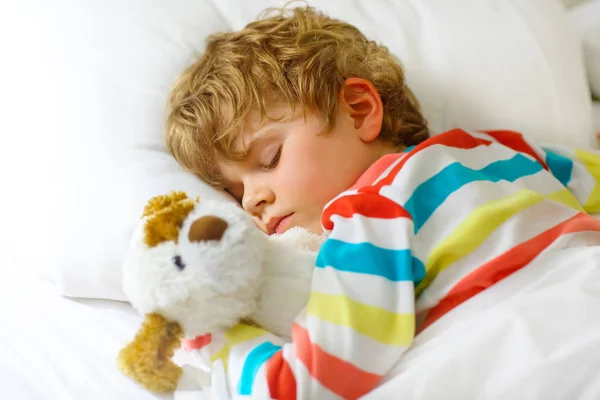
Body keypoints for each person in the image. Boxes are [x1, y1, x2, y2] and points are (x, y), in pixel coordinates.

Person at [165, 5, 600, 399]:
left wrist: (219, 341)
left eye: (269, 159)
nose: (253, 201)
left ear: (358, 110)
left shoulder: (369, 215)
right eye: (235, 193)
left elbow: (309, 382)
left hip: (536, 345)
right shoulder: (498, 147)